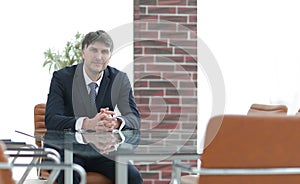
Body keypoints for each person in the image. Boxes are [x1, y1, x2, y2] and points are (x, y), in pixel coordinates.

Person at [45, 30, 142, 184]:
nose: (99, 57)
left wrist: (115, 122)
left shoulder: (119, 79)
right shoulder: (62, 78)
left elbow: (134, 118)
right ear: (84, 52)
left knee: (133, 177)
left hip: (103, 152)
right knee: (70, 176)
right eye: (94, 50)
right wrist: (87, 123)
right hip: (67, 152)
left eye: (104, 52)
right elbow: (51, 120)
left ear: (109, 56)